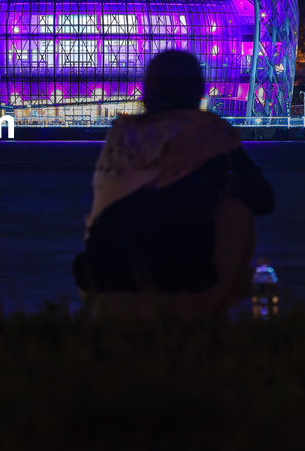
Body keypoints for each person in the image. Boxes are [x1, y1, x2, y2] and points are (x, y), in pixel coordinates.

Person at [73, 49, 274, 317]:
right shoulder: (209, 133)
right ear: (198, 90)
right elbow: (263, 199)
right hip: (181, 291)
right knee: (236, 209)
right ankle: (212, 312)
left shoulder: (121, 134)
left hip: (97, 287)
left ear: (145, 91)